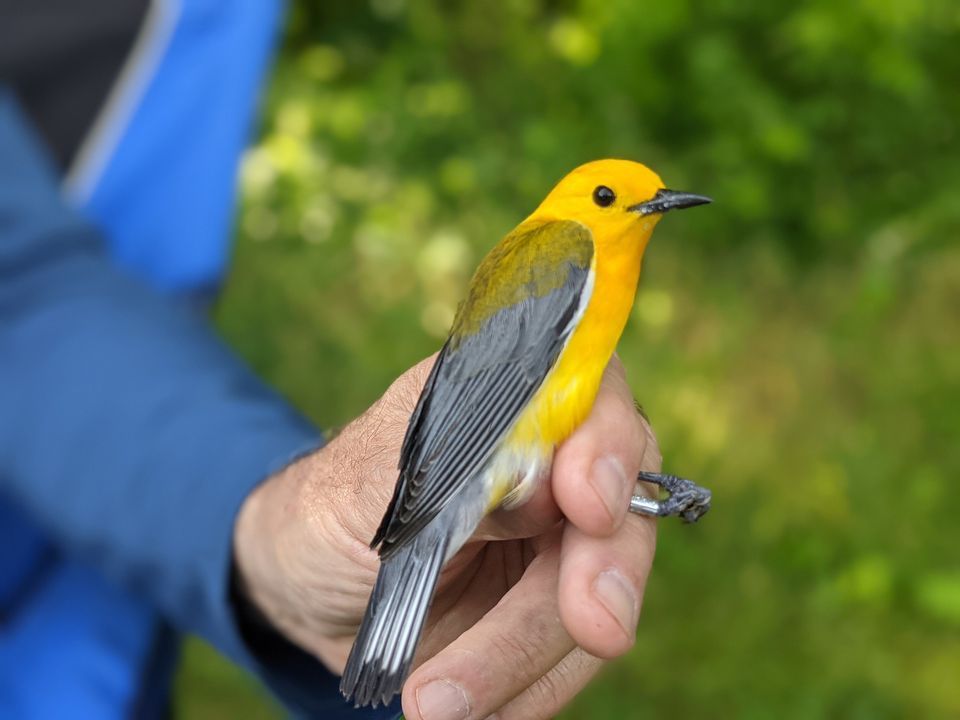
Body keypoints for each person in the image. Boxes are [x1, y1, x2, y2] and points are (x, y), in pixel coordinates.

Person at [0, 3, 661, 718]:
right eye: (616, 197)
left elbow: (27, 292)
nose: (643, 208)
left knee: (578, 491)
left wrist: (272, 531)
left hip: (87, 665)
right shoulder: (567, 252)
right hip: (65, 629)